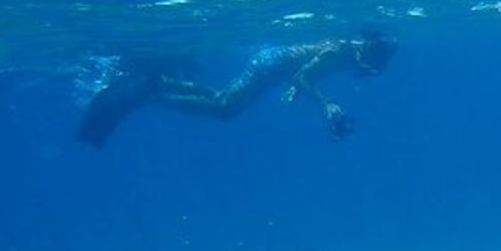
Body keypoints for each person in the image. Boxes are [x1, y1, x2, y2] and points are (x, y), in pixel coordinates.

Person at [75, 31, 397, 147]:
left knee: (221, 100)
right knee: (226, 110)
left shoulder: (347, 52)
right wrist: (324, 103)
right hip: (270, 65)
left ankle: (166, 84)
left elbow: (302, 74)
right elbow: (303, 76)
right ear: (368, 51)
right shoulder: (340, 51)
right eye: (369, 64)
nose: (364, 70)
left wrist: (299, 88)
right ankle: (155, 97)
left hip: (273, 65)